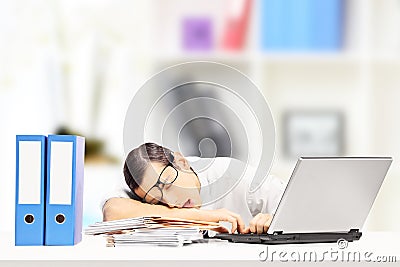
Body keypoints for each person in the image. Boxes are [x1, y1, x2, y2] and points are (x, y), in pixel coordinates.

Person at [102, 142, 285, 234]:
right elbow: (112, 213)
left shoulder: (232, 174)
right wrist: (199, 217)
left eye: (167, 183)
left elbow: (300, 207)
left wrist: (276, 220)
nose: (171, 203)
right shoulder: (139, 181)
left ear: (181, 162)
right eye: (156, 201)